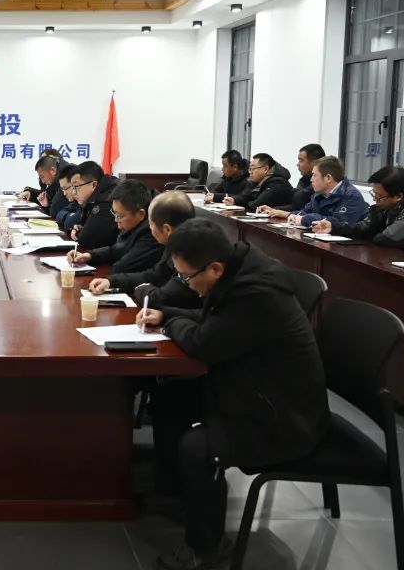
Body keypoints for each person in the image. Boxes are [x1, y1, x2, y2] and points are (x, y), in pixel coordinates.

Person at [136, 219, 329, 570]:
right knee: (170, 398)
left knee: (198, 447)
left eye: (186, 278)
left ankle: (205, 548)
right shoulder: (239, 270)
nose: (185, 285)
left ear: (215, 268)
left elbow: (204, 343)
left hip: (284, 416)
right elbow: (211, 319)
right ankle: (176, 493)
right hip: (255, 388)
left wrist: (169, 323)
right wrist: (166, 313)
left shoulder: (257, 293)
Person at [88, 190, 201, 311]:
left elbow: (160, 298)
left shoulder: (191, 255)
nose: (149, 228)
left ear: (167, 229)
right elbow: (155, 275)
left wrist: (141, 288)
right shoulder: (175, 243)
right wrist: (111, 281)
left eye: (150, 223)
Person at [312, 166, 404, 252]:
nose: (375, 199)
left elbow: (386, 239)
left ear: (398, 196)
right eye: (374, 193)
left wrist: (370, 230)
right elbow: (363, 227)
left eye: (379, 196)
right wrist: (334, 227)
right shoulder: (385, 207)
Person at [66, 180, 161, 274]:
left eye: (120, 216)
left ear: (141, 214)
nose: (115, 220)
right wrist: (89, 256)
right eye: (114, 213)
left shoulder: (154, 231)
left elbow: (122, 267)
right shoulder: (134, 223)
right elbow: (117, 250)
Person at [258, 155, 369, 227]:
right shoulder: (318, 194)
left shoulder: (351, 196)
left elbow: (338, 223)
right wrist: (284, 214)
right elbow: (305, 213)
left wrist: (303, 219)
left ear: (328, 178)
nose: (311, 180)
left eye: (314, 175)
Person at [69, 161, 119, 250]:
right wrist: (82, 228)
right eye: (72, 187)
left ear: (93, 184)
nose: (73, 192)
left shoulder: (107, 199)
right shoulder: (94, 197)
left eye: (76, 186)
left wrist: (80, 232)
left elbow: (88, 238)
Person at [222, 153, 294, 211]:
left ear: (266, 169)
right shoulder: (256, 181)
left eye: (253, 168)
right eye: (250, 169)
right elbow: (245, 196)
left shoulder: (277, 182)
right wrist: (234, 200)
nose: (250, 172)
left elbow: (256, 205)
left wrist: (242, 202)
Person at [285, 143, 326, 211]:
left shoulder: (322, 185)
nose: (297, 164)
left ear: (315, 163)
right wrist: (273, 210)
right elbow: (294, 207)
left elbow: (300, 200)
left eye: (301, 160)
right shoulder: (304, 180)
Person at [54, 163, 82, 231]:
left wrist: (70, 217)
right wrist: (69, 215)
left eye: (65, 188)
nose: (64, 193)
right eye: (62, 189)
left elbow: (70, 223)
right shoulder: (75, 201)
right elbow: (59, 214)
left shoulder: (85, 201)